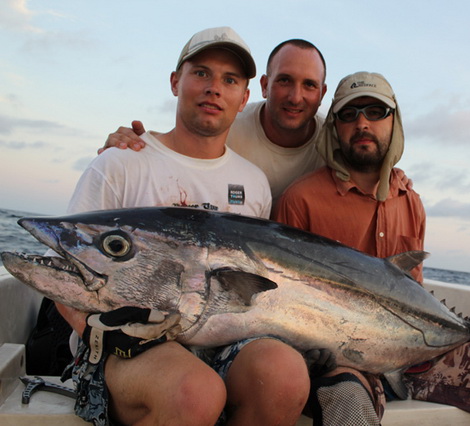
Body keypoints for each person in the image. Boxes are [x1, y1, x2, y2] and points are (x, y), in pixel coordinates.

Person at [274, 71, 470, 426]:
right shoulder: (301, 199)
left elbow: (412, 290)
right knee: (344, 400)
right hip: (347, 361)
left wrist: (467, 331)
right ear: (334, 127)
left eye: (375, 112)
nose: (362, 123)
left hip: (418, 355)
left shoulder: (410, 201)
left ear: (394, 121)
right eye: (348, 114)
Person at [55, 27, 310, 425]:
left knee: (285, 376)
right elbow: (67, 261)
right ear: (176, 82)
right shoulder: (121, 161)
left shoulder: (254, 182)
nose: (214, 89)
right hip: (126, 344)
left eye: (229, 80)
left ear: (244, 97)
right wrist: (92, 330)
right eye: (202, 73)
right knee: (194, 393)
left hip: (223, 339)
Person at [102, 38, 328, 201]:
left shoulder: (335, 142)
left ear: (322, 94)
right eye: (284, 80)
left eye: (309, 85)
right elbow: (182, 146)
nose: (295, 97)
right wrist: (131, 150)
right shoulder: (226, 124)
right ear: (264, 86)